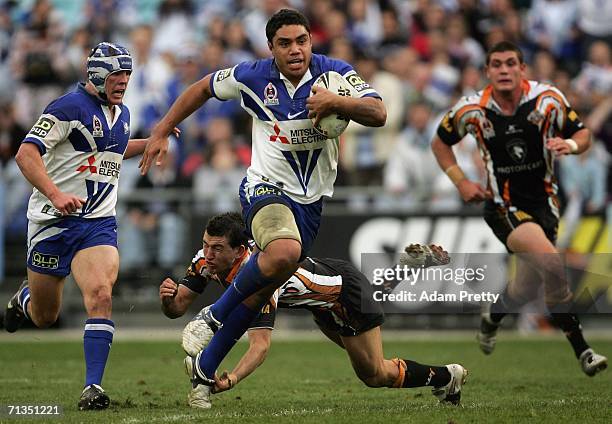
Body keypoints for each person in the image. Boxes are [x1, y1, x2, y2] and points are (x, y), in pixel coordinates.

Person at [140, 8, 387, 392]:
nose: (295, 50)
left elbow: (378, 111)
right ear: (271, 47)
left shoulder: (335, 74)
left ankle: (204, 373)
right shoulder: (251, 76)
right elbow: (203, 87)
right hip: (264, 188)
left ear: (311, 42)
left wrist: (338, 104)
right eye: (284, 43)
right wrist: (162, 129)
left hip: (309, 205)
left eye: (301, 41)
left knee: (260, 290)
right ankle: (212, 316)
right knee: (285, 252)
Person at [159, 212, 467, 409]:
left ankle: (447, 375)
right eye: (205, 245)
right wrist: (168, 299)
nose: (208, 255)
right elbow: (178, 308)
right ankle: (403, 270)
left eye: (217, 249)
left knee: (374, 374)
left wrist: (233, 379)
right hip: (323, 301)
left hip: (343, 296)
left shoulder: (262, 278)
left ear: (241, 252)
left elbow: (260, 345)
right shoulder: (205, 260)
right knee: (368, 358)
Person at [430, 41, 607, 376]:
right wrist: (462, 182)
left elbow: (583, 133)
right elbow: (440, 144)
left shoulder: (549, 99)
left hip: (546, 205)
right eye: (496, 64)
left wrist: (568, 144)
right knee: (553, 265)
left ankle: (492, 316)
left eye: (511, 63)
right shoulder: (472, 109)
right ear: (487, 72)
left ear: (522, 69)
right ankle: (583, 351)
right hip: (502, 205)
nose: (504, 70)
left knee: (525, 287)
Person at [3, 42, 162, 410]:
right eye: (116, 75)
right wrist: (56, 194)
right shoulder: (66, 108)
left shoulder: (121, 114)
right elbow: (26, 154)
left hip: (97, 223)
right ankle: (25, 298)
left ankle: (93, 387)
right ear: (96, 75)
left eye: (127, 74)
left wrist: (152, 141)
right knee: (46, 317)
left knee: (101, 295)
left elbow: (111, 149)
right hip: (51, 224)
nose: (123, 81)